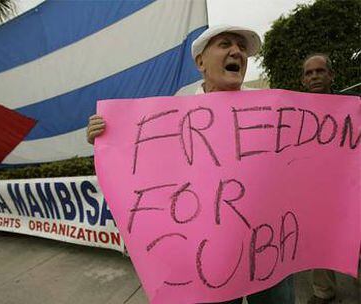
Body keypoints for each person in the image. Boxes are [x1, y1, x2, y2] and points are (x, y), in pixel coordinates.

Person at [86, 24, 295, 304]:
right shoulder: (167, 120)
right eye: (225, 44)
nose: (237, 52)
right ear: (200, 62)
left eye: (242, 48)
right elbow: (144, 176)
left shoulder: (274, 110)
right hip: (210, 256)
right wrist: (108, 140)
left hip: (270, 247)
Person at [302, 53, 337, 304]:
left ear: (330, 75)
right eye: (309, 73)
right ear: (303, 80)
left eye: (320, 71)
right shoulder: (295, 113)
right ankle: (324, 292)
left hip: (351, 189)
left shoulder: (354, 108)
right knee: (321, 244)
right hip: (316, 193)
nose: (314, 76)